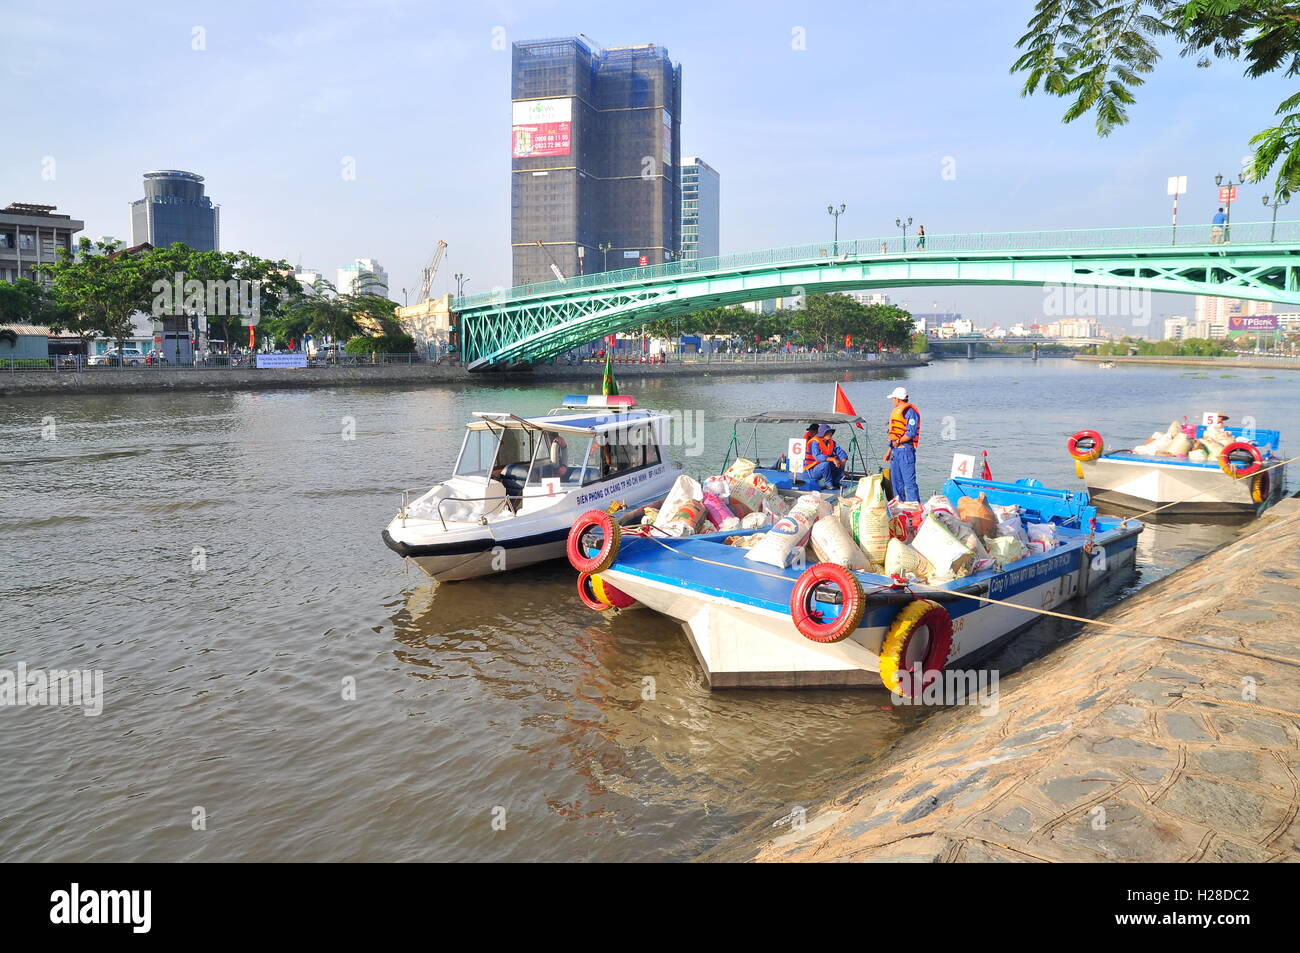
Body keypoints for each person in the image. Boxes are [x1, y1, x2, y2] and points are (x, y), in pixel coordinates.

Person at [884, 386, 922, 502]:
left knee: (909, 483)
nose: (892, 401)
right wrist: (889, 451)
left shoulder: (910, 412)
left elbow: (911, 433)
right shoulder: (896, 411)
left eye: (893, 398)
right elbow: (893, 436)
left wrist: (898, 441)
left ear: (898, 399)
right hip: (895, 452)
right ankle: (899, 507)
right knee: (896, 483)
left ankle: (915, 509)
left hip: (906, 451)